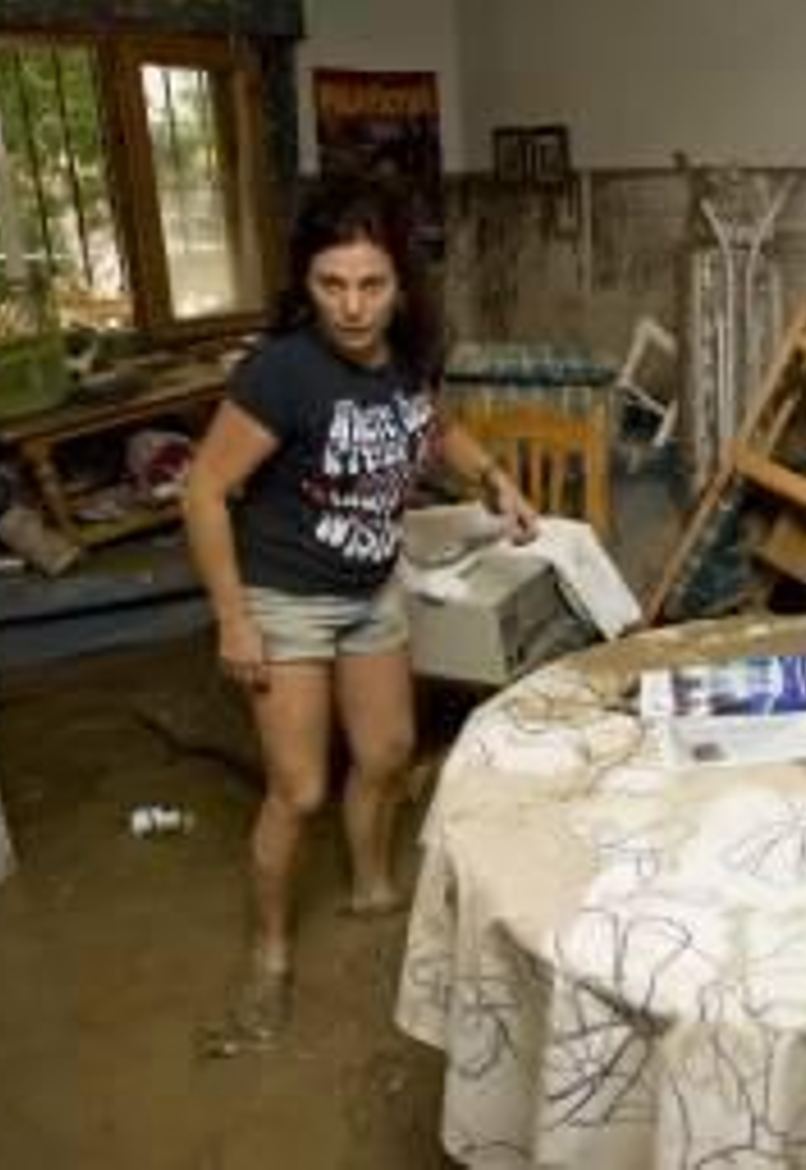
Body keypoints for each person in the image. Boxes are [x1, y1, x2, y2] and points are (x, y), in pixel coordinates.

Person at [183, 177, 537, 1044]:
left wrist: (495, 480)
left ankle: (372, 887)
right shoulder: (283, 372)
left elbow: (434, 428)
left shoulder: (409, 354)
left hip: (371, 587)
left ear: (400, 284)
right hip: (286, 599)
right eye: (331, 284)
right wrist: (234, 617)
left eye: (371, 284)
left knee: (383, 752)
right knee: (299, 788)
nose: (351, 306)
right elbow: (203, 490)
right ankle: (269, 957)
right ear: (305, 281)